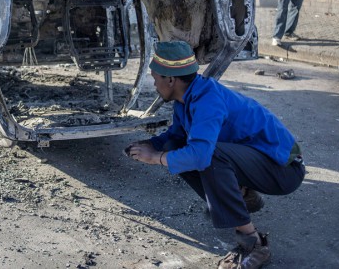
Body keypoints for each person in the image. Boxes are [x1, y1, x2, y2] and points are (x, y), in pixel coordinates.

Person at [125, 41, 305, 269]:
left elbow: (200, 156)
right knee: (174, 145)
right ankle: (243, 196)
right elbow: (175, 136)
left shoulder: (207, 100)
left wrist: (155, 157)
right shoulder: (187, 97)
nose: (154, 83)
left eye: (155, 77)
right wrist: (148, 144)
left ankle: (253, 243)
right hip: (261, 162)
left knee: (208, 155)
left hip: (285, 170)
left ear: (171, 80)